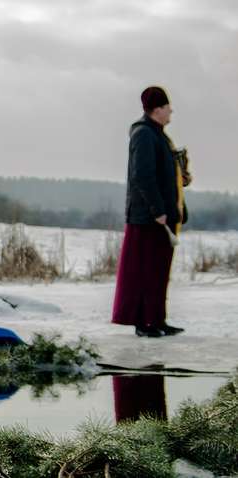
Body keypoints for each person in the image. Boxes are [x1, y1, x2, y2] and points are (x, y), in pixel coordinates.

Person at [111, 86, 191, 338]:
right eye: (167, 107)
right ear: (157, 109)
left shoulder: (159, 135)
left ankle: (157, 319)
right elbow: (142, 176)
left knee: (158, 272)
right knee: (143, 271)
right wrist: (157, 209)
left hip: (163, 216)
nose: (171, 111)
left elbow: (166, 177)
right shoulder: (144, 134)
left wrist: (182, 178)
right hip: (147, 218)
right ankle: (143, 322)